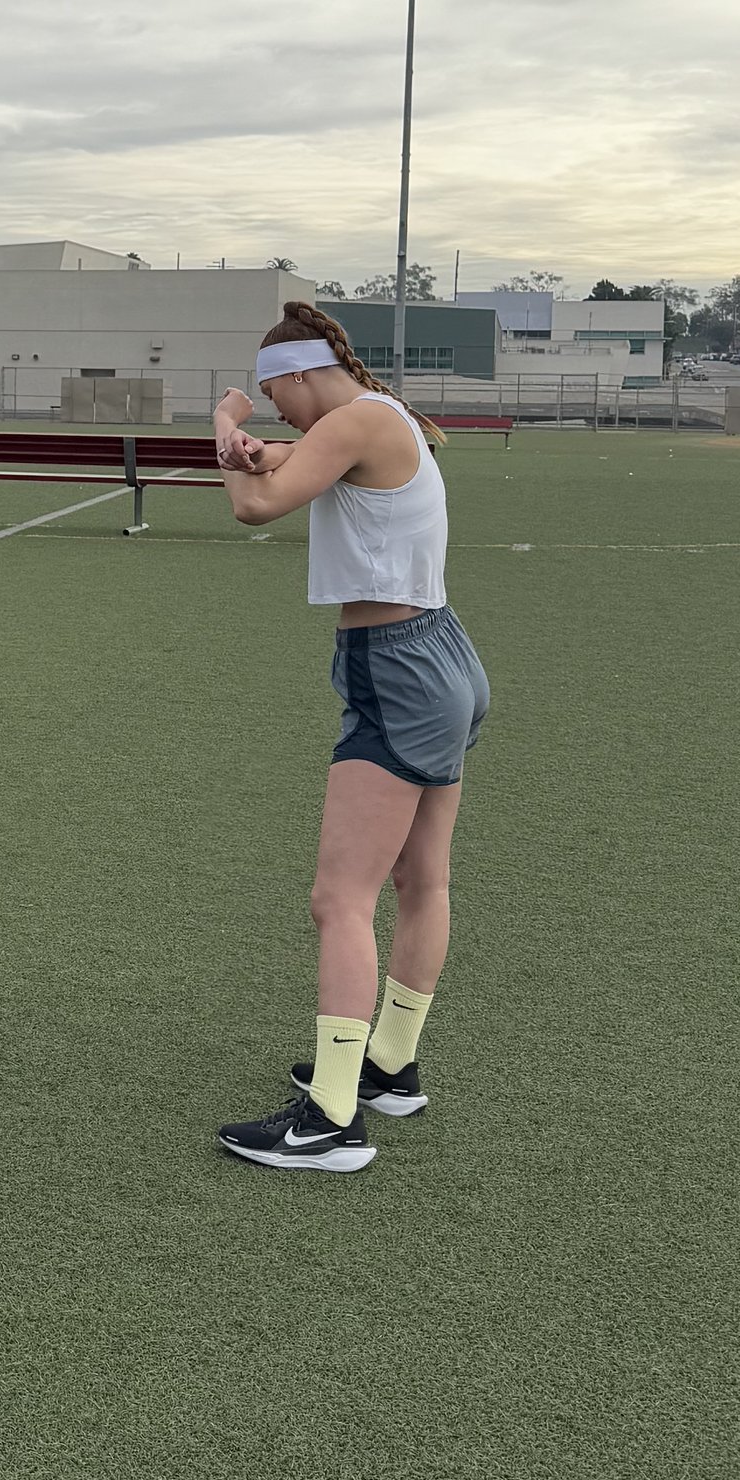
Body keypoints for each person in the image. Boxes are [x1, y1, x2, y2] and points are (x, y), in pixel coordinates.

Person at [208, 303, 490, 1174]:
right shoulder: (379, 413)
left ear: (299, 374)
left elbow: (257, 505)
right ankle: (389, 1065)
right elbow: (289, 460)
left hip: (396, 669)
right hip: (444, 657)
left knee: (339, 898)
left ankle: (331, 1117)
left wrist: (221, 430)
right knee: (422, 879)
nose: (277, 412)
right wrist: (261, 446)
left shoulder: (352, 421)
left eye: (275, 396)